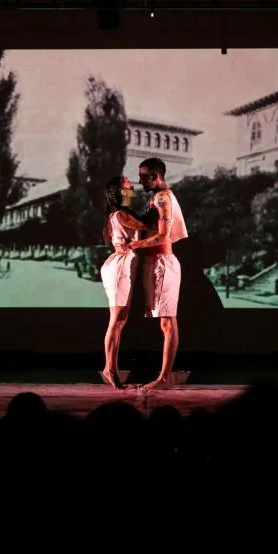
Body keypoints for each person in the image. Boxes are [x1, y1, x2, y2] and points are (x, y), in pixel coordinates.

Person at [125, 158, 188, 391]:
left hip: (162, 262)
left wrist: (134, 247)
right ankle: (164, 377)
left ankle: (163, 378)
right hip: (156, 262)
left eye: (144, 176)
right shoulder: (157, 197)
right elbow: (138, 221)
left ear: (156, 176)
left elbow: (163, 235)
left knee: (167, 322)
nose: (140, 180)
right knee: (165, 322)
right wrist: (125, 196)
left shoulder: (162, 197)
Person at [98, 176, 147, 389]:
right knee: (116, 321)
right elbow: (146, 225)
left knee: (119, 322)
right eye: (128, 184)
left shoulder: (119, 214)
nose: (132, 186)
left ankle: (111, 369)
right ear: (120, 191)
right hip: (120, 267)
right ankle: (110, 369)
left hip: (122, 265)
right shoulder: (121, 215)